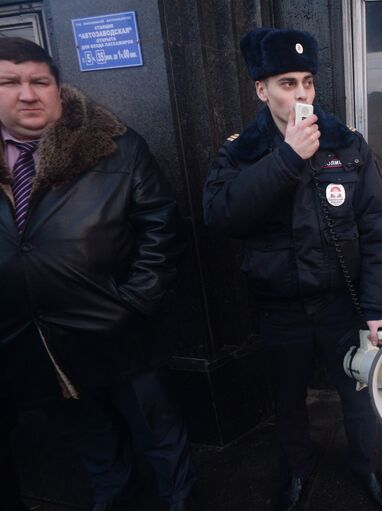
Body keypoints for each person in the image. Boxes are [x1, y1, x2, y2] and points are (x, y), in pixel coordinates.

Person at [203, 28, 382, 511]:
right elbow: (221, 215)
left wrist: (375, 309)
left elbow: (377, 229)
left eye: (307, 81)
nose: (301, 94)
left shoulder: (346, 145)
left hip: (340, 303)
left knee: (357, 396)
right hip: (280, 308)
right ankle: (297, 468)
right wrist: (287, 158)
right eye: (287, 83)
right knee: (289, 402)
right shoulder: (241, 151)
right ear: (261, 89)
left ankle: (366, 467)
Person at [0, 38, 196, 510]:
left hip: (119, 334)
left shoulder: (116, 148)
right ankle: (114, 495)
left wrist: (133, 302)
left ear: (59, 90)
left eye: (40, 82)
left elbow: (162, 229)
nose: (28, 94)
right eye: (9, 82)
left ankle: (180, 500)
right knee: (90, 437)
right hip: (37, 343)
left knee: (158, 434)